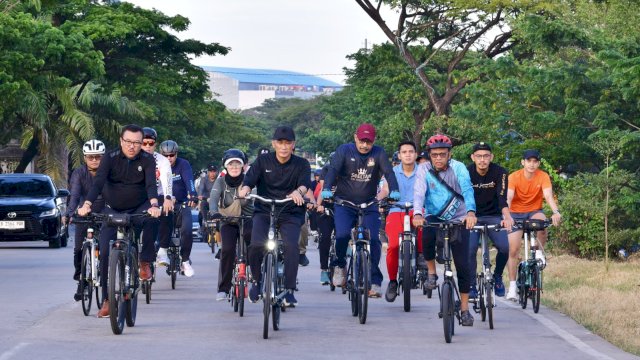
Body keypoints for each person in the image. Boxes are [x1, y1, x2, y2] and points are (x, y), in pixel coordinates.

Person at [77, 124, 162, 318]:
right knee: (106, 251)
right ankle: (108, 300)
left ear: (142, 144)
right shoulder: (110, 157)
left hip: (139, 206)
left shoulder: (148, 159)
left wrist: (154, 204)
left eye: (137, 143)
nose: (132, 146)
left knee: (153, 220)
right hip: (113, 207)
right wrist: (87, 203)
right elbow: (98, 182)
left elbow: (150, 185)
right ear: (121, 141)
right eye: (128, 142)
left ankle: (145, 261)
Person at [321, 123, 400, 298]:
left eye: (368, 142)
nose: (364, 145)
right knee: (341, 235)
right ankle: (340, 264)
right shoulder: (344, 150)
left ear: (374, 141)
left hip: (369, 204)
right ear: (355, 138)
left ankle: (375, 281)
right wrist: (327, 187)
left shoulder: (378, 153)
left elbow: (388, 172)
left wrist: (394, 190)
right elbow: (333, 170)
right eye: (362, 141)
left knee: (374, 241)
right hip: (344, 203)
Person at [238, 126, 311, 307]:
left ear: (293, 145)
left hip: (290, 212)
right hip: (264, 210)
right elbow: (249, 180)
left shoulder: (302, 164)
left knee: (291, 246)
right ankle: (256, 281)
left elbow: (305, 184)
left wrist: (298, 192)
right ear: (273, 144)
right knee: (255, 245)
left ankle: (289, 289)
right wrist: (245, 189)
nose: (284, 147)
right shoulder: (263, 161)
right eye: (280, 143)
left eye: (288, 143)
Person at [412, 134, 477, 326]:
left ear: (449, 154)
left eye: (442, 154)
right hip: (434, 215)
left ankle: (465, 309)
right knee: (427, 237)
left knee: (463, 265)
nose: (438, 158)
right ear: (430, 155)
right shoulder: (423, 168)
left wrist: (471, 212)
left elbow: (467, 189)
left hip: (459, 218)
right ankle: (432, 273)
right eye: (434, 155)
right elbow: (418, 192)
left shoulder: (459, 167)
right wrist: (417, 214)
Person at [505, 149, 562, 301]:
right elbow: (509, 197)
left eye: (535, 161)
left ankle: (538, 253)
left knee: (542, 225)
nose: (531, 164)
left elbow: (548, 196)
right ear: (522, 162)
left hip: (534, 211)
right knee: (513, 249)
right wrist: (506, 215)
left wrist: (556, 212)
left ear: (538, 163)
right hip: (515, 213)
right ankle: (511, 287)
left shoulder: (543, 176)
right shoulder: (513, 177)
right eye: (528, 161)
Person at [467, 142, 513, 298]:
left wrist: (507, 217)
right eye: (478, 156)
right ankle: (472, 284)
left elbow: (502, 198)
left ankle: (498, 276)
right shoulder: (466, 172)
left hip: (493, 216)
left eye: (486, 156)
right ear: (473, 157)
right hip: (472, 216)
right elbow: (463, 197)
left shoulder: (500, 172)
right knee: (470, 249)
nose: (482, 160)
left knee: (505, 247)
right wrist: (467, 215)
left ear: (491, 157)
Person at [381, 140, 425, 303]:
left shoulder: (424, 171)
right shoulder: (391, 172)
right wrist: (379, 200)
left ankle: (421, 255)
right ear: (399, 155)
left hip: (418, 209)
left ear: (415, 154)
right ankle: (392, 281)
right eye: (404, 152)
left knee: (423, 227)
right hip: (396, 210)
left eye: (411, 151)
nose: (407, 154)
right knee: (392, 246)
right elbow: (385, 190)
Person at [209, 149, 254, 301]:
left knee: (254, 244)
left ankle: (256, 278)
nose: (234, 167)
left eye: (238, 164)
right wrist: (214, 212)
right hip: (227, 220)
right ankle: (223, 288)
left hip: (248, 218)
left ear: (243, 166)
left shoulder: (250, 180)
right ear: (225, 167)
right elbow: (214, 198)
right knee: (227, 250)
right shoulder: (220, 181)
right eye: (231, 164)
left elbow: (257, 198)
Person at [66, 139, 106, 301]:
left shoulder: (108, 173)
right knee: (78, 248)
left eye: (98, 157)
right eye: (91, 157)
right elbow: (74, 195)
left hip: (104, 211)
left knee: (105, 246)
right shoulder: (79, 173)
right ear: (85, 158)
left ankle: (104, 272)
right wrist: (69, 213)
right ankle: (80, 281)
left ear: (103, 158)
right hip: (83, 212)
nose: (94, 160)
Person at [156, 140, 198, 277]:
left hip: (181, 203)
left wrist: (192, 195)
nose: (169, 158)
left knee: (187, 229)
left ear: (176, 154)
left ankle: (185, 259)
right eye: (166, 155)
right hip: (162, 203)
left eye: (172, 155)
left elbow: (189, 181)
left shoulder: (183, 164)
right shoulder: (156, 164)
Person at [141, 127, 174, 213]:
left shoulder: (163, 160)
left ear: (155, 145)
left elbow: (167, 182)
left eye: (151, 143)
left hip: (158, 196)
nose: (148, 146)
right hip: (138, 197)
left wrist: (168, 197)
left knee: (168, 209)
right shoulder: (133, 158)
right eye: (144, 143)